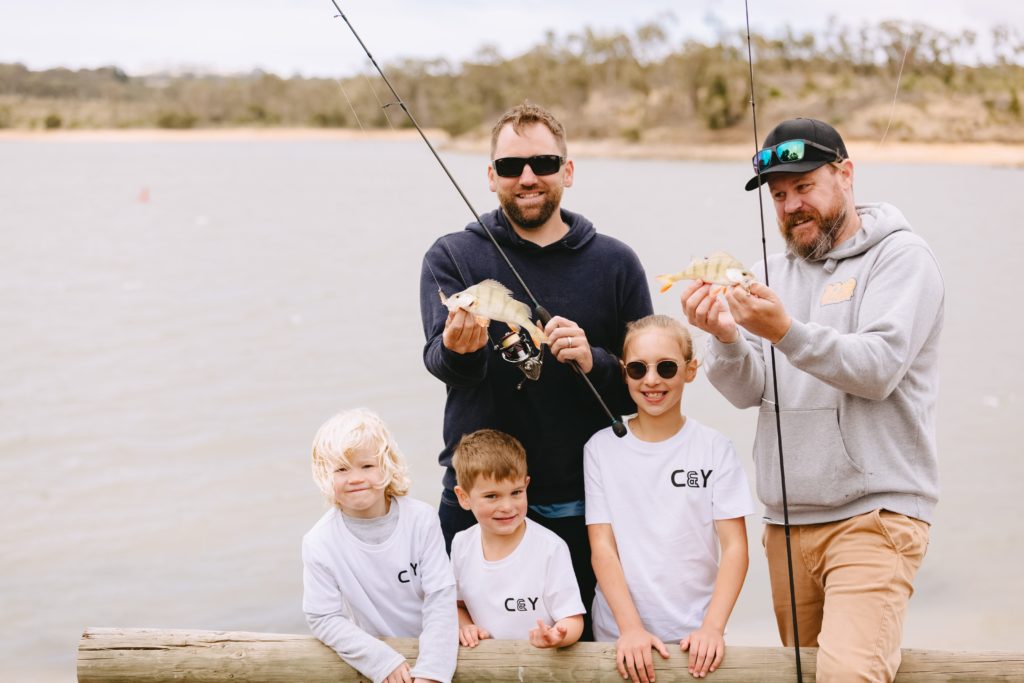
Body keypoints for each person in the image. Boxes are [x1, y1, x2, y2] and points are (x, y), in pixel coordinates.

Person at [681, 117, 943, 682]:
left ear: (845, 175)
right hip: (786, 526)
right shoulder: (767, 274)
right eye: (779, 195)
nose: (791, 205)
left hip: (874, 520)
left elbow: (877, 369)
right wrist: (725, 339)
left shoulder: (902, 258)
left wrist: (786, 332)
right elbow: (747, 390)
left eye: (805, 187)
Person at [419, 102, 654, 628]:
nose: (527, 177)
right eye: (510, 166)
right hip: (476, 497)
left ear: (567, 171)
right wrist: (462, 347)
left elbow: (645, 386)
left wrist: (593, 360)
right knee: (465, 640)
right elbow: (440, 362)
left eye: (544, 163)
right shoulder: (452, 256)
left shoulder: (616, 263)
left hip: (586, 500)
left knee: (582, 640)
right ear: (490, 177)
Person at [585, 315, 753, 682]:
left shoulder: (715, 448)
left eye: (666, 367)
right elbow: (602, 547)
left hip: (695, 641)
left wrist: (712, 628)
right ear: (623, 371)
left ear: (691, 370)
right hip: (619, 639)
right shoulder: (600, 448)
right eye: (637, 368)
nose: (651, 380)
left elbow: (736, 548)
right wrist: (630, 629)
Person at [301, 408, 457, 683]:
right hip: (381, 663)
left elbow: (440, 597)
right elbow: (323, 617)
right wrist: (380, 661)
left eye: (367, 466)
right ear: (324, 475)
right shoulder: (319, 542)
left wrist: (431, 672)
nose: (356, 478)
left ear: (387, 465)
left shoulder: (421, 519)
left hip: (438, 655)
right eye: (341, 469)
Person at [449, 429, 585, 649]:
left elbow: (573, 618)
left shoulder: (551, 548)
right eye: (492, 496)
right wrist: (466, 626)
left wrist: (557, 636)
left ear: (527, 485)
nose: (507, 507)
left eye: (516, 492)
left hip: (539, 669)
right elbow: (456, 605)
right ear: (464, 497)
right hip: (487, 669)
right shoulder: (461, 544)